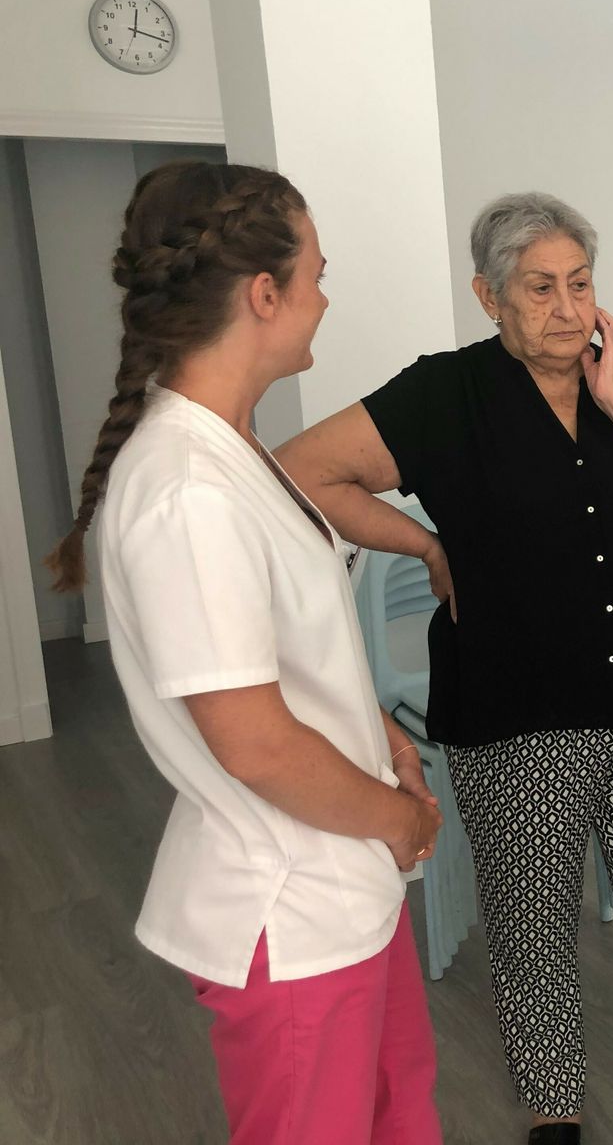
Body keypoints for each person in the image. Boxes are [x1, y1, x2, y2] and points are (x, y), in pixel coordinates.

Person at [275, 192, 613, 1145]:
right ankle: (554, 1103)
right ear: (490, 297)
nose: (567, 309)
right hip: (514, 701)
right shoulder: (443, 392)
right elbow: (300, 468)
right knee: (532, 915)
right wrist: (425, 549)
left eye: (581, 284)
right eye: (539, 288)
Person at [44, 160, 444, 1144]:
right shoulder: (187, 491)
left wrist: (378, 744)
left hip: (344, 883)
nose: (325, 298)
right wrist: (396, 818)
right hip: (292, 909)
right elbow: (254, 743)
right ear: (263, 295)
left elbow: (291, 671)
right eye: (315, 274)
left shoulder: (232, 453)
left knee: (403, 1117)